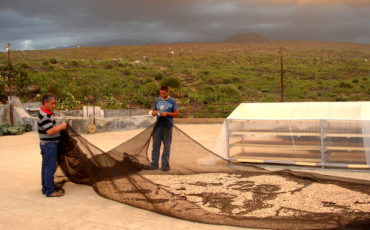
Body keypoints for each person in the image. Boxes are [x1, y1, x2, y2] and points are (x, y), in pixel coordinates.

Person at [38, 93, 67, 197]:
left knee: (46, 167)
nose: (54, 105)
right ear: (45, 103)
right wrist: (61, 127)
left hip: (47, 144)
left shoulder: (46, 113)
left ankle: (45, 188)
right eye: (52, 103)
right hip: (49, 145)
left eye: (55, 103)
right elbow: (50, 131)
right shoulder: (44, 116)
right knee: (50, 167)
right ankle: (50, 191)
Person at [146, 85, 179, 171]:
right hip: (158, 125)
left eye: (164, 93)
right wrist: (154, 112)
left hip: (167, 125)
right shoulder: (158, 100)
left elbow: (176, 114)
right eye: (161, 93)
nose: (162, 95)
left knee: (166, 146)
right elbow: (153, 111)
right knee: (155, 145)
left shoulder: (172, 101)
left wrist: (167, 114)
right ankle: (154, 164)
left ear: (167, 92)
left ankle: (165, 166)